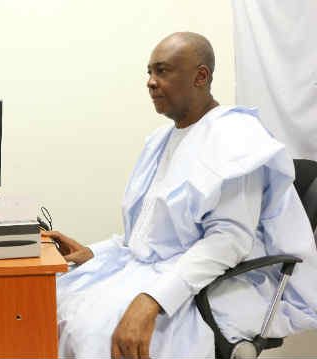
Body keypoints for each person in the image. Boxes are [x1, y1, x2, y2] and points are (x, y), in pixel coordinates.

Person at [43, 32, 317, 358]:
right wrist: (94, 253)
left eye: (162, 71)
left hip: (215, 281)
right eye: (149, 72)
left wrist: (153, 300)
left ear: (200, 76)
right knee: (53, 299)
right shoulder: (161, 140)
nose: (151, 82)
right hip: (158, 271)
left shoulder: (236, 137)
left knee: (95, 328)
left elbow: (228, 242)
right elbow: (149, 237)